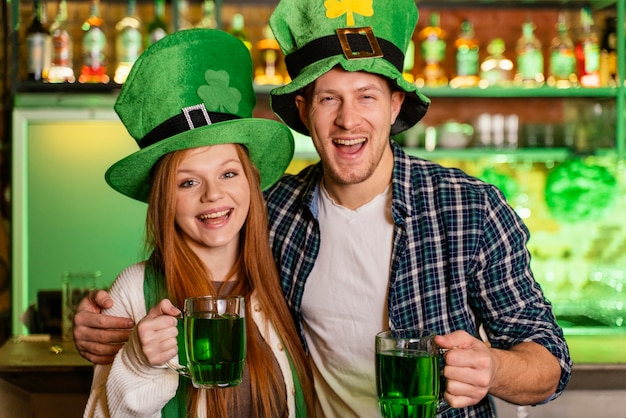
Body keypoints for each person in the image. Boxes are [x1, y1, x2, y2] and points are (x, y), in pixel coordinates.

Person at [75, 1, 572, 417]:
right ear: (304, 112)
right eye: (329, 98)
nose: (348, 119)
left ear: (396, 106)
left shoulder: (469, 207)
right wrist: (106, 320)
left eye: (367, 96)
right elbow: (186, 258)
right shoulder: (273, 211)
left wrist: (494, 369)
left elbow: (548, 357)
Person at [82, 28, 315, 418]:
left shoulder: (285, 278)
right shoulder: (133, 292)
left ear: (252, 181)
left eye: (228, 174)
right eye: (188, 182)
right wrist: (138, 363)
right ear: (164, 200)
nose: (212, 195)